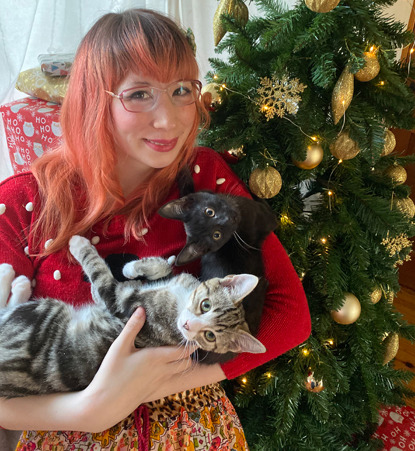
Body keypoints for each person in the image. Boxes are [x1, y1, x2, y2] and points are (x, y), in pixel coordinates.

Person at [0, 8, 311, 450]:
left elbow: (290, 315)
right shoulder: (22, 203)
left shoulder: (205, 177)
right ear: (94, 98)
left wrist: (147, 386)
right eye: (139, 94)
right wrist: (88, 410)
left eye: (181, 90)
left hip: (193, 424)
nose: (168, 120)